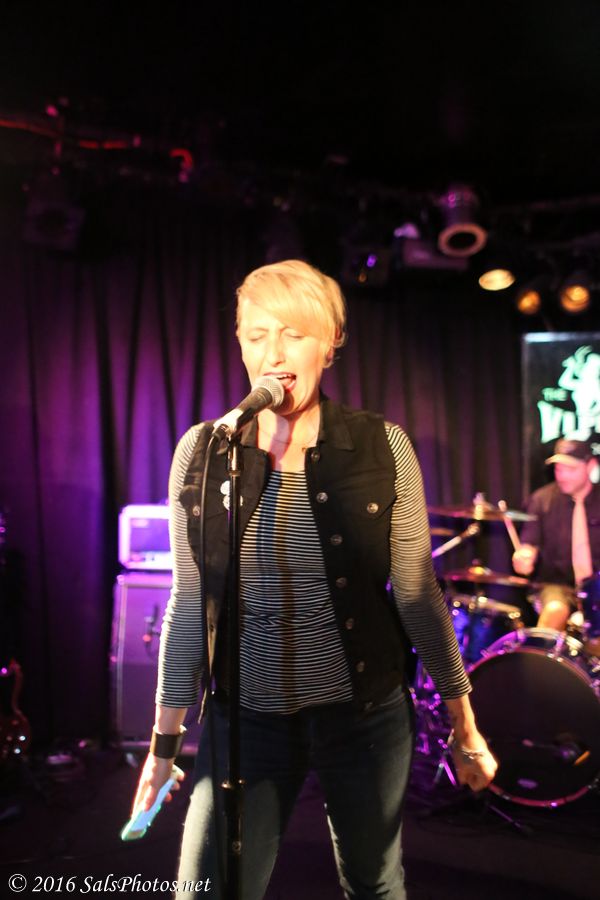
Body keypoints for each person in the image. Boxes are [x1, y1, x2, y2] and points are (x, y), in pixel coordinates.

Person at [130, 259, 497, 899]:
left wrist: (464, 727)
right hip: (247, 719)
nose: (273, 353)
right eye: (256, 335)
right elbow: (190, 604)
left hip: (363, 716)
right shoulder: (205, 450)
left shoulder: (382, 446)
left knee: (374, 885)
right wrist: (163, 746)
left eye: (293, 334)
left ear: (329, 344)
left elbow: (417, 595)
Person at [512, 438, 600, 631]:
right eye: (559, 469)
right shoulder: (541, 500)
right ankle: (543, 649)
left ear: (591, 466)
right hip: (555, 585)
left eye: (571, 469)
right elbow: (529, 543)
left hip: (596, 586)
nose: (563, 476)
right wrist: (525, 557)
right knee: (555, 610)